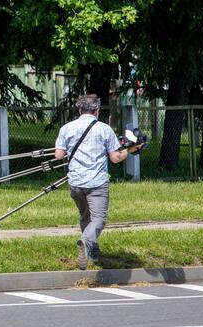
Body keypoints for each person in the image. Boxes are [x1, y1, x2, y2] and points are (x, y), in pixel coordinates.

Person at [54, 94, 143, 270]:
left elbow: (59, 155)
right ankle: (86, 242)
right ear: (96, 110)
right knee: (99, 219)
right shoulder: (104, 129)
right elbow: (116, 158)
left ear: (79, 110)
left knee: (85, 216)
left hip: (76, 183)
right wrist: (133, 148)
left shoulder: (66, 128)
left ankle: (92, 250)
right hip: (97, 183)